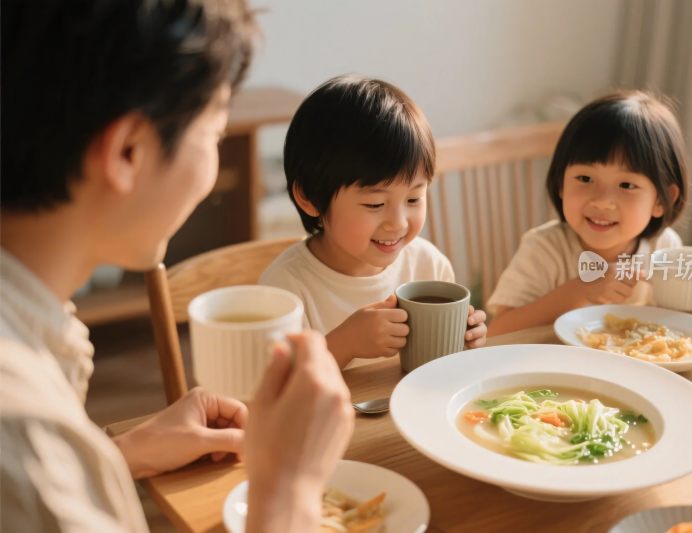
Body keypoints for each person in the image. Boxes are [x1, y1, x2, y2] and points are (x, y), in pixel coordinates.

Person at [0, 2, 353, 532]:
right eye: (213, 135)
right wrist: (288, 491)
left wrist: (115, 456)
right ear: (127, 151)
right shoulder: (24, 432)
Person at [259, 75, 488, 368]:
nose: (399, 223)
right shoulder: (286, 286)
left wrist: (467, 341)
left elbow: (441, 372)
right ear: (310, 198)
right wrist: (345, 343)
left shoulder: (428, 265)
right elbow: (277, 389)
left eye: (414, 199)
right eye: (375, 204)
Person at [487, 91, 692, 336]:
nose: (602, 202)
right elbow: (498, 331)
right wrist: (579, 291)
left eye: (626, 185)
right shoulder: (544, 249)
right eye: (585, 178)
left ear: (662, 200)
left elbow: (680, 326)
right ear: (561, 184)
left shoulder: (663, 246)